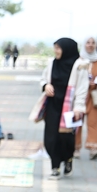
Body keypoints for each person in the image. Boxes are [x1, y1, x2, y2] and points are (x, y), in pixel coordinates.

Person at [39, 37, 88, 177]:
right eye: (55, 48)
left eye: (58, 48)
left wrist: (78, 107)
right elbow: (43, 79)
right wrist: (45, 86)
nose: (56, 51)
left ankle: (67, 158)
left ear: (67, 49)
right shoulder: (51, 63)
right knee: (50, 137)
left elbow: (82, 88)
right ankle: (55, 166)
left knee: (65, 138)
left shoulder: (80, 66)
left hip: (69, 106)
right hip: (53, 105)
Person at [74, 36, 97, 159]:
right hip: (80, 97)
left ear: (96, 45)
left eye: (93, 43)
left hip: (95, 96)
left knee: (93, 123)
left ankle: (93, 149)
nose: (90, 45)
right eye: (88, 43)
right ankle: (75, 148)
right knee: (77, 122)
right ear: (84, 44)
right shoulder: (79, 59)